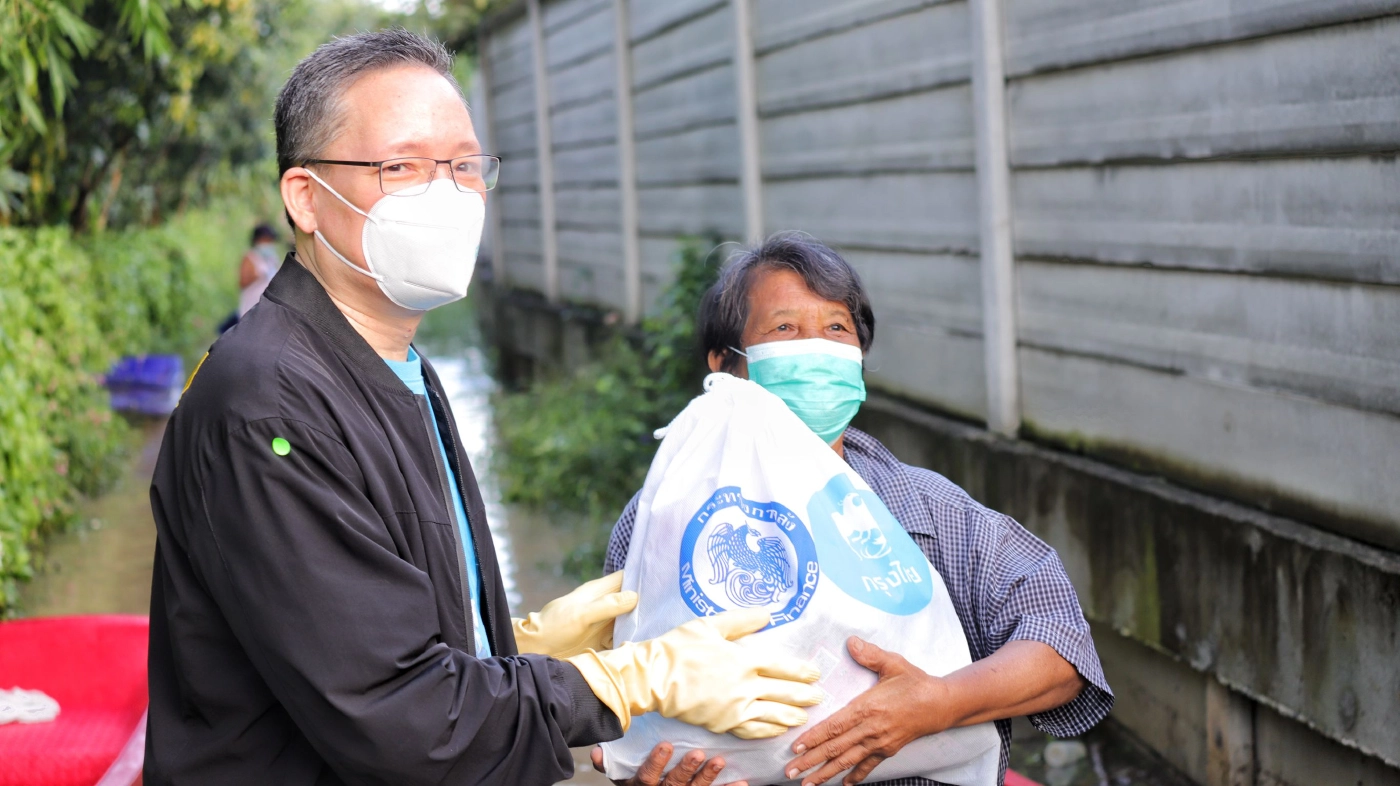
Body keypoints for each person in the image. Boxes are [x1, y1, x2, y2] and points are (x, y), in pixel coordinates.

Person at [145, 31, 824, 785]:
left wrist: (515, 643)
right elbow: (400, 720)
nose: (447, 196)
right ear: (306, 197)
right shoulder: (270, 407)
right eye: (402, 166)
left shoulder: (400, 366)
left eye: (465, 166)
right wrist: (623, 679)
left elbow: (372, 633)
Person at [594, 234, 1114, 786]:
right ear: (726, 364)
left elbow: (1061, 644)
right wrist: (641, 773)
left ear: (859, 359)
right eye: (785, 328)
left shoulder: (928, 510)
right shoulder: (667, 513)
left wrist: (940, 702)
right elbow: (616, 693)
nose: (816, 349)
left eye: (837, 329)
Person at [238, 222, 283, 317]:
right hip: (251, 306)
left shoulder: (272, 259)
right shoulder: (250, 258)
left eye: (271, 241)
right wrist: (258, 275)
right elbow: (242, 283)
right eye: (266, 240)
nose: (269, 244)